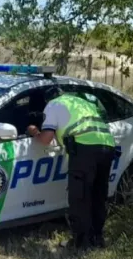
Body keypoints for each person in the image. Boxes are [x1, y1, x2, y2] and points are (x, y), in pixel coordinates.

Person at [27, 86, 116, 250]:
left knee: (80, 197)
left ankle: (81, 243)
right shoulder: (81, 102)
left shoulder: (53, 105)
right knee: (98, 196)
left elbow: (46, 139)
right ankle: (97, 238)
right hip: (107, 146)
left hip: (84, 149)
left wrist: (34, 132)